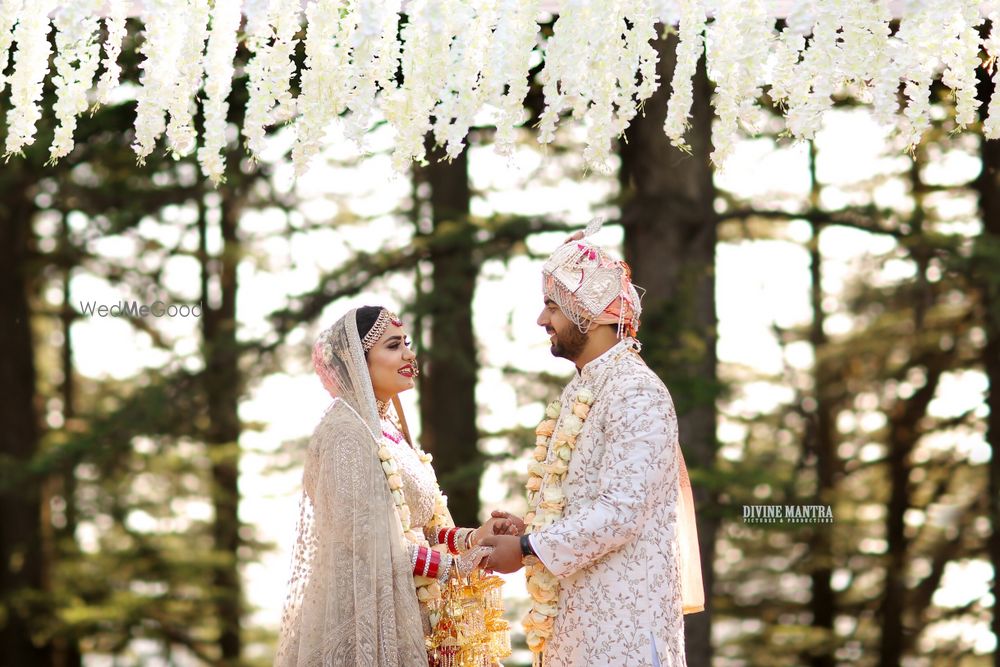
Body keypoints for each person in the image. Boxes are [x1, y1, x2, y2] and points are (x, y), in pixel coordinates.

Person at [481, 231, 706, 667]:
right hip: (576, 630)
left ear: (594, 314)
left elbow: (621, 511)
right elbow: (590, 503)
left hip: (623, 635)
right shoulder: (582, 390)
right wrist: (529, 526)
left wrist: (528, 546)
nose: (541, 320)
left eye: (552, 306)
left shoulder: (637, 391)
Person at [274, 306, 511, 666]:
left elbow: (419, 527)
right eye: (393, 345)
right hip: (364, 618)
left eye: (408, 343)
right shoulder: (346, 434)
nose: (409, 354)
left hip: (412, 614)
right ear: (358, 360)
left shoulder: (388, 431)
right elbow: (369, 539)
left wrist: (474, 538)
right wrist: (453, 567)